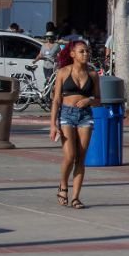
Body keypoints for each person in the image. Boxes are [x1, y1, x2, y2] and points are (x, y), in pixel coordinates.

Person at [49, 40, 100, 210]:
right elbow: (56, 99)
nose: (86, 54)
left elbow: (99, 100)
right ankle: (63, 185)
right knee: (70, 155)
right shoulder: (63, 72)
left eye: (87, 51)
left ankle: (76, 197)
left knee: (81, 157)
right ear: (72, 54)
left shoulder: (93, 75)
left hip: (86, 116)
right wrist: (53, 124)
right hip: (67, 115)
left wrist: (89, 100)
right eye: (82, 51)